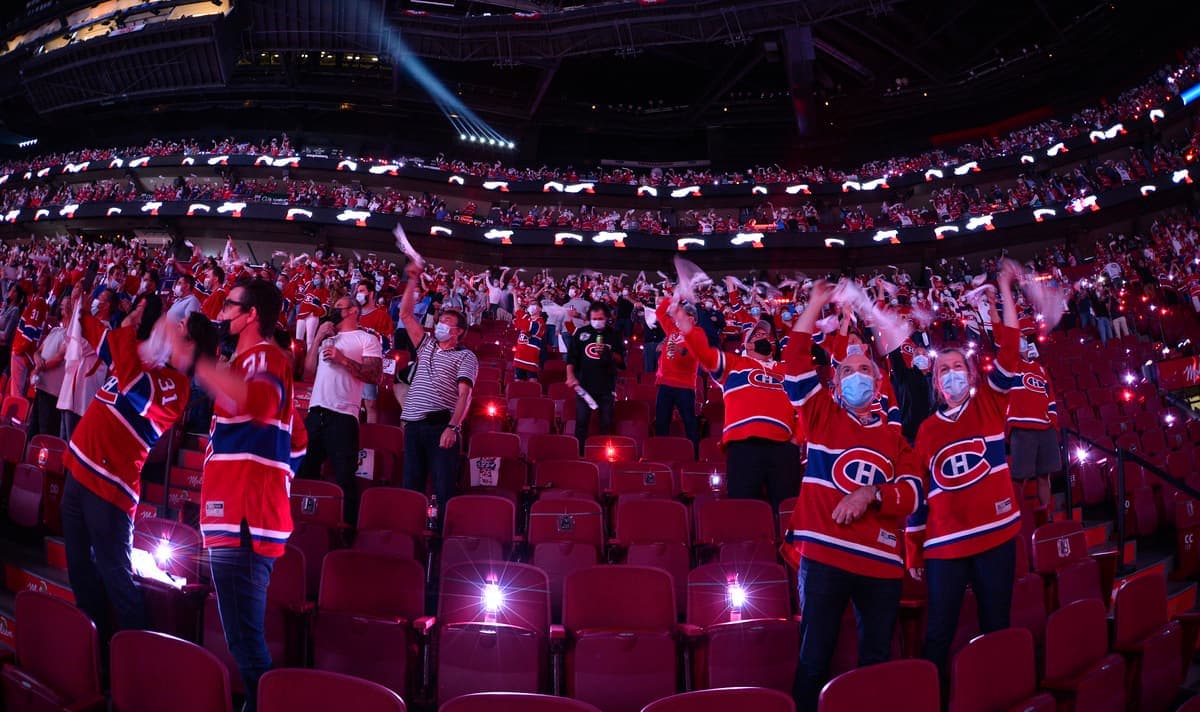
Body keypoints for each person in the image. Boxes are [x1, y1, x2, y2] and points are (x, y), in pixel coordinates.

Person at [784, 281, 923, 712]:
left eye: (865, 370)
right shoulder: (821, 415)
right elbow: (794, 361)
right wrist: (815, 304)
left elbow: (913, 494)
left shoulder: (895, 438)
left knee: (876, 663)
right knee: (813, 660)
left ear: (878, 385)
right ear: (836, 383)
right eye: (847, 371)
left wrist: (872, 493)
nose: (857, 375)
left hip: (880, 564)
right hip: (825, 558)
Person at [62, 298, 215, 645]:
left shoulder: (177, 386)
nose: (169, 328)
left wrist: (127, 331)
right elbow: (107, 343)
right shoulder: (148, 360)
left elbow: (135, 389)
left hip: (109, 488)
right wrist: (80, 313)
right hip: (79, 470)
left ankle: (137, 658)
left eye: (180, 328)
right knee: (80, 571)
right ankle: (95, 653)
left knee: (117, 580)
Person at [906, 263, 1024, 681]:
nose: (951, 373)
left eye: (958, 366)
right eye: (944, 369)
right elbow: (919, 494)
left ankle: (1000, 692)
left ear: (970, 374)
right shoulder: (926, 430)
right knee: (938, 632)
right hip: (945, 546)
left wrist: (1002, 292)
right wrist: (913, 548)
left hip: (996, 537)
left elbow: (1011, 349)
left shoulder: (989, 404)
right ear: (936, 383)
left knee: (997, 625)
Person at [192, 279, 296, 712]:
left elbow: (258, 404)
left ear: (251, 314)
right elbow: (298, 443)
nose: (221, 313)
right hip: (241, 515)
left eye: (230, 305)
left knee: (246, 644)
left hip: (244, 520)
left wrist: (196, 362)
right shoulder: (243, 362)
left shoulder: (265, 357)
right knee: (243, 639)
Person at [669, 307, 799, 510]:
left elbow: (807, 406)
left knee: (787, 511)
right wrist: (689, 330)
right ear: (747, 343)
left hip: (783, 447)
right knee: (744, 509)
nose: (764, 338)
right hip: (744, 445)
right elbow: (706, 355)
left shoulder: (786, 370)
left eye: (767, 336)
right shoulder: (734, 363)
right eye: (758, 335)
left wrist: (797, 438)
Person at [398, 263, 478, 517]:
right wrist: (412, 279)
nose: (440, 324)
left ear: (458, 331)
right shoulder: (426, 345)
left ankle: (442, 534)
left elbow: (465, 395)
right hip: (413, 426)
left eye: (447, 321)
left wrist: (453, 427)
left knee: (443, 489)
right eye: (440, 320)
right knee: (411, 487)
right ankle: (411, 531)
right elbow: (405, 315)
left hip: (440, 427)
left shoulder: (465, 356)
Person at [299, 295, 382, 525]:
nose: (334, 310)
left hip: (344, 415)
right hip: (316, 411)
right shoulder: (328, 337)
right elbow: (308, 370)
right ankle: (306, 524)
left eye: (339, 307)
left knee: (344, 477)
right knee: (304, 473)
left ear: (353, 310)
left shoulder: (367, 339)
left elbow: (375, 375)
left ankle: (346, 529)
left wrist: (343, 360)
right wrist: (317, 338)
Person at [999, 335, 1060, 510]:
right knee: (1020, 478)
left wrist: (1053, 422)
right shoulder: (1011, 365)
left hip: (1045, 428)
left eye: (1023, 338)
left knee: (1044, 476)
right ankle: (1016, 517)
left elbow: (1051, 398)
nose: (1021, 340)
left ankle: (1046, 514)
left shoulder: (1041, 369)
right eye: (1017, 337)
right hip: (1022, 427)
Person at [565, 302, 625, 452]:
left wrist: (609, 353)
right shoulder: (581, 333)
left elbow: (622, 362)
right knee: (581, 422)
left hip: (606, 387)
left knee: (606, 422)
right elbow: (571, 358)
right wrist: (570, 376)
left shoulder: (614, 335)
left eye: (600, 318)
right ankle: (580, 453)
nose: (597, 321)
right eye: (594, 318)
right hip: (584, 387)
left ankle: (603, 453)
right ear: (589, 318)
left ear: (606, 318)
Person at [652, 297, 699, 451]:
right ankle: (660, 454)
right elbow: (660, 313)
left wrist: (682, 351)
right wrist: (673, 298)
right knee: (661, 423)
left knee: (689, 423)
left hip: (684, 385)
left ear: (692, 319)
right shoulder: (672, 330)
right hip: (665, 383)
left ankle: (694, 455)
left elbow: (694, 356)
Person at [355, 279, 395, 424]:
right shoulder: (353, 313)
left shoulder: (382, 315)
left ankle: (370, 437)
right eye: (357, 291)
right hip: (350, 363)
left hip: (369, 365)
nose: (358, 294)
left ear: (371, 294)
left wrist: (369, 335)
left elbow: (388, 343)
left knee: (370, 404)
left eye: (361, 291)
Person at [29, 299, 67, 439]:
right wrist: (37, 358)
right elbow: (37, 351)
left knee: (46, 433)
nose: (62, 306)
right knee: (33, 430)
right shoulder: (55, 330)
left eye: (66, 304)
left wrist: (38, 368)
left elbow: (58, 359)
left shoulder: (71, 335)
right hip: (41, 386)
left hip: (53, 392)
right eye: (62, 304)